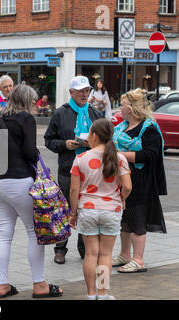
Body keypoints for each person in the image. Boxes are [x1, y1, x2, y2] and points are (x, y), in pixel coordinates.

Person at [0, 84, 64, 299]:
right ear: (25, 101)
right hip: (20, 181)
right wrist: (35, 152)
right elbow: (30, 152)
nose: (34, 106)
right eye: (32, 102)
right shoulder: (26, 119)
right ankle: (39, 284)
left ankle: (2, 285)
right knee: (34, 233)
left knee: (3, 234)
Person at [69, 118, 132, 300]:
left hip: (87, 210)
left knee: (90, 253)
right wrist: (121, 199)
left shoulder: (80, 159)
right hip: (111, 210)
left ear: (94, 136)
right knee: (105, 254)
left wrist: (73, 213)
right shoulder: (119, 158)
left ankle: (91, 294)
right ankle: (103, 294)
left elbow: (74, 190)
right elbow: (127, 187)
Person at [44, 75, 104, 264]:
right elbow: (48, 140)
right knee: (64, 210)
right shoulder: (61, 113)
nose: (85, 95)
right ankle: (60, 248)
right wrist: (64, 144)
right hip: (68, 169)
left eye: (87, 91)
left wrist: (93, 144)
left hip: (91, 171)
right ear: (71, 93)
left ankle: (84, 247)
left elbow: (105, 140)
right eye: (80, 92)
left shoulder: (95, 113)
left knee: (86, 210)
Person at [111, 88, 167, 273]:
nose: (120, 108)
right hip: (123, 179)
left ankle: (138, 260)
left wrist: (121, 155)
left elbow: (150, 155)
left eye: (123, 104)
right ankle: (125, 255)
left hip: (141, 182)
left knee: (137, 220)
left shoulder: (148, 128)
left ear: (132, 108)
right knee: (125, 220)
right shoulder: (121, 127)